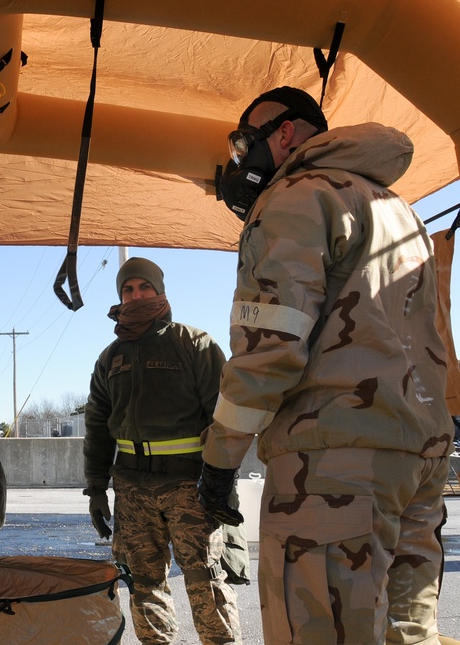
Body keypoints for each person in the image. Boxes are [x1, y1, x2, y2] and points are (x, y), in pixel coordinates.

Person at [201, 86, 455, 644]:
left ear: (284, 133)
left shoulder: (295, 196)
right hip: (419, 457)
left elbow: (271, 343)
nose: (242, 157)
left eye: (246, 140)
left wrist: (220, 462)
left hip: (335, 466)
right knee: (407, 633)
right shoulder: (398, 208)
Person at [83, 256, 243, 645]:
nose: (136, 296)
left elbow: (224, 419)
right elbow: (97, 428)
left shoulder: (195, 344)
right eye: (127, 290)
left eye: (144, 287)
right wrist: (96, 488)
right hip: (133, 489)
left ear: (161, 291)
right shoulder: (109, 358)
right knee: (143, 582)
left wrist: (223, 480)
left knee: (206, 580)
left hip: (190, 485)